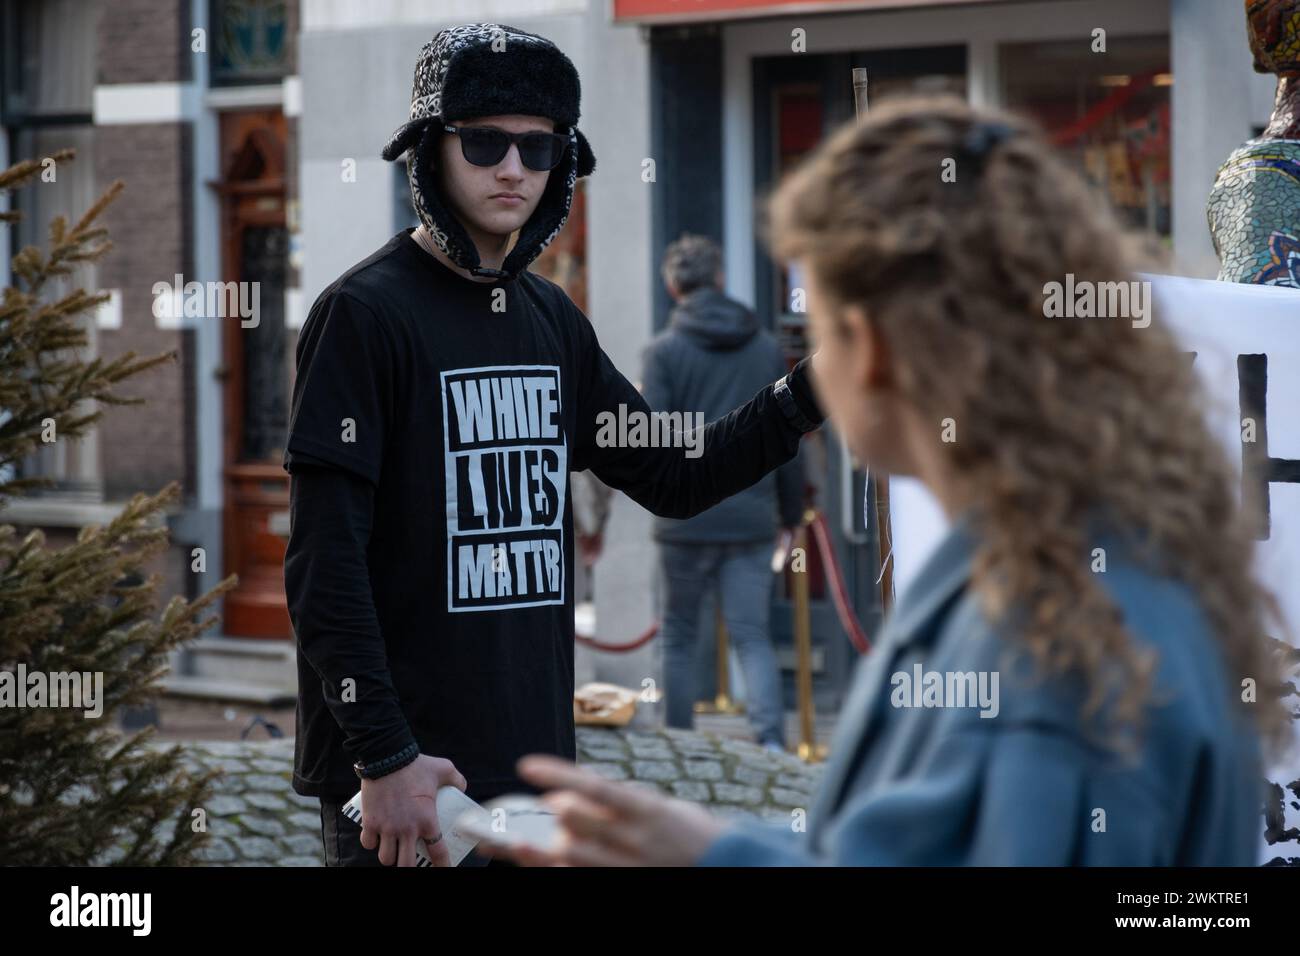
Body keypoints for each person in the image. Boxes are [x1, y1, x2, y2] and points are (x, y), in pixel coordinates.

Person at [488, 96, 1292, 866]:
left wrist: (711, 856)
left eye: (820, 326)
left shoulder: (1047, 637)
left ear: (865, 348)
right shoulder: (1071, 546)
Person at [281, 23, 824, 868]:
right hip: (408, 783)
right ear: (433, 151)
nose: (512, 168)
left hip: (530, 780)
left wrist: (812, 388)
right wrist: (383, 754)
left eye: (539, 150)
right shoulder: (364, 316)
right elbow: (324, 563)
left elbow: (676, 475)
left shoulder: (550, 319)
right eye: (485, 141)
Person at [642, 234, 803, 750]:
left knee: (679, 637)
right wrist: (793, 515)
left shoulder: (662, 352)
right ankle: (772, 741)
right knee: (752, 636)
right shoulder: (764, 348)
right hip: (751, 516)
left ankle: (678, 744)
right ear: (721, 280)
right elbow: (785, 432)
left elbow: (656, 436)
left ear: (672, 286)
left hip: (684, 519)